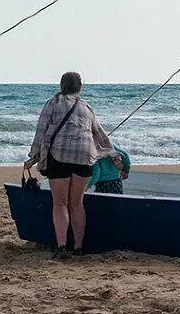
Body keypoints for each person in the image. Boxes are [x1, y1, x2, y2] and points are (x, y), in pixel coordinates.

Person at [23, 72, 113, 257]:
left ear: (61, 85)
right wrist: (113, 154)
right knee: (77, 204)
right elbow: (99, 133)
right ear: (80, 86)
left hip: (59, 157)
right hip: (85, 158)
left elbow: (41, 131)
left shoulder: (53, 103)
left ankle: (62, 247)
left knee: (60, 204)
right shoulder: (86, 107)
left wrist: (34, 156)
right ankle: (79, 247)